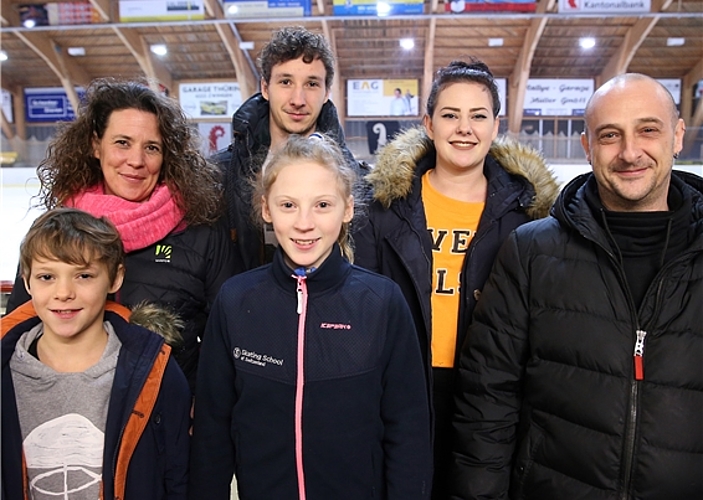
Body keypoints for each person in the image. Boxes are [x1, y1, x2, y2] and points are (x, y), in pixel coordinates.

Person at [451, 73, 703, 499]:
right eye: (610, 135)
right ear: (587, 147)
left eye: (648, 130)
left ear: (677, 136)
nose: (629, 152)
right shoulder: (531, 252)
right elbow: (487, 402)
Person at [354, 59, 559, 499]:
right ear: (428, 123)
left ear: (495, 124)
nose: (464, 128)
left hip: (488, 396)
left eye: (478, 116)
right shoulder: (384, 209)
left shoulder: (526, 217)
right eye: (450, 115)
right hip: (403, 386)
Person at [189, 134, 432, 499]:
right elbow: (212, 432)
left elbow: (408, 431)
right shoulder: (236, 301)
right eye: (288, 205)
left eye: (322, 205)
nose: (304, 223)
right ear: (266, 209)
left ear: (347, 208)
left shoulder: (381, 303)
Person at [6, 78, 235, 391]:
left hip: (165, 417)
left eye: (151, 147)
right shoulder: (56, 230)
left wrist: (200, 409)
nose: (136, 161)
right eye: (122, 143)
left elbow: (224, 337)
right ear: (96, 145)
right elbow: (21, 326)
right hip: (71, 414)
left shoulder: (201, 231)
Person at [1, 208, 191, 499]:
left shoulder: (157, 370)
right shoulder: (6, 370)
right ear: (27, 282)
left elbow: (178, 476)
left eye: (84, 276)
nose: (63, 292)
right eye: (47, 276)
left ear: (115, 279)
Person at [211, 25, 366, 274]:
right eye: (285, 81)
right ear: (265, 88)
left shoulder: (355, 180)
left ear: (327, 92)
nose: (298, 99)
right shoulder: (221, 174)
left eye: (312, 84)